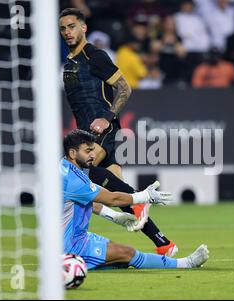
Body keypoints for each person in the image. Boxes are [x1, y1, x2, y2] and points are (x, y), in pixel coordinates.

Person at [59, 8, 178, 257]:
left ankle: (74, 243)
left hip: (101, 132)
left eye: (72, 26)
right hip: (85, 134)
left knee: (79, 179)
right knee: (122, 196)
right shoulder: (69, 63)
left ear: (83, 28)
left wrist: (107, 117)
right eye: (63, 28)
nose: (67, 32)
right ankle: (164, 244)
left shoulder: (95, 56)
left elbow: (124, 88)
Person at [62, 129, 209, 270]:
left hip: (76, 238)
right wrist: (145, 196)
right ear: (73, 153)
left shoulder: (64, 168)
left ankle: (88, 264)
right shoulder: (74, 179)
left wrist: (115, 216)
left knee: (119, 256)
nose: (93, 155)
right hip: (72, 246)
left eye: (92, 150)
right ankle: (186, 263)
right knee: (129, 253)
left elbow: (85, 201)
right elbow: (113, 199)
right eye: (87, 151)